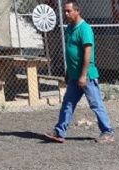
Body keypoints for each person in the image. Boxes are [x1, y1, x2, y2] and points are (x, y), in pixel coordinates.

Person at [46, 0, 115, 144]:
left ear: (77, 11)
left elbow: (87, 54)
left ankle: (108, 132)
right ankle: (59, 132)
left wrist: (83, 75)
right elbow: (71, 53)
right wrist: (68, 71)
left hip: (87, 76)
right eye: (65, 11)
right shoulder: (69, 28)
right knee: (68, 103)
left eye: (68, 11)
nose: (66, 14)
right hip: (74, 76)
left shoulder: (85, 29)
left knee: (96, 104)